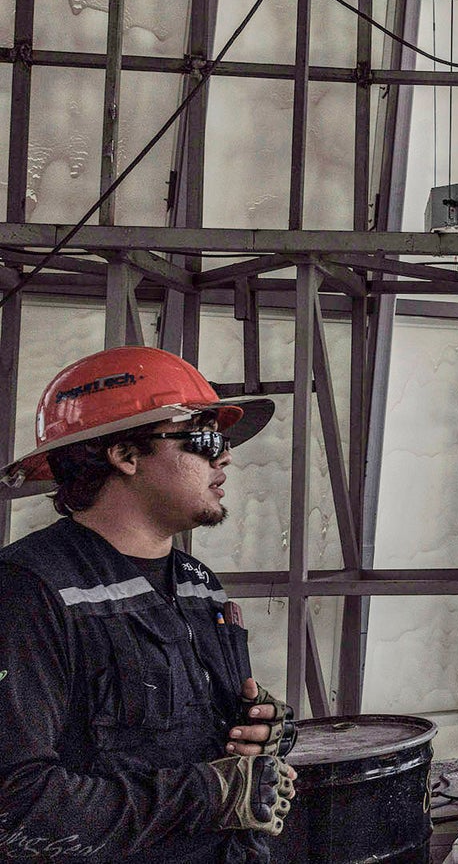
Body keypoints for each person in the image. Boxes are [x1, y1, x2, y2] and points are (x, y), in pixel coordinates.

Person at [0, 346, 297, 863]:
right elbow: (18, 808)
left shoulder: (199, 585)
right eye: (204, 438)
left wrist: (263, 733)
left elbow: (194, 741)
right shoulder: (28, 592)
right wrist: (213, 793)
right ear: (126, 454)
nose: (224, 456)